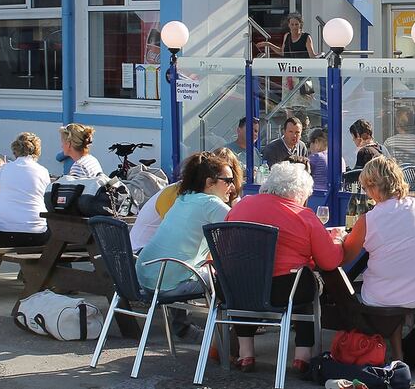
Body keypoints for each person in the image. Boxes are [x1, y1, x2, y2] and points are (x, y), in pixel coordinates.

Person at [226, 162, 343, 373]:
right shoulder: (303, 215)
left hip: (235, 288)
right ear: (300, 193)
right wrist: (336, 240)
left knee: (247, 277)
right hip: (284, 290)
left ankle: (246, 353)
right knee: (307, 280)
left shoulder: (241, 206)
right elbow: (330, 262)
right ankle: (302, 356)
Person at [341, 156, 415, 360]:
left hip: (383, 295)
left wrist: (341, 238)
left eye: (366, 187)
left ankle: (372, 347)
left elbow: (346, 256)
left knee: (368, 288)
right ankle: (398, 353)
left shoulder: (369, 219)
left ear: (373, 186)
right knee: (394, 274)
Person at [136, 152, 234, 341]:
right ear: (209, 182)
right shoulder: (210, 203)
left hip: (146, 277)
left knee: (192, 268)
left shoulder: (185, 198)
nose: (232, 186)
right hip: (166, 283)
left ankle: (194, 331)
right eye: (228, 180)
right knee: (229, 278)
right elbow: (245, 232)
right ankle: (228, 338)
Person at [0, 133, 51, 297]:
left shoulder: (5, 168)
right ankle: (31, 278)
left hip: (3, 234)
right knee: (43, 231)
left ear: (15, 150)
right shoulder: (42, 171)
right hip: (35, 234)